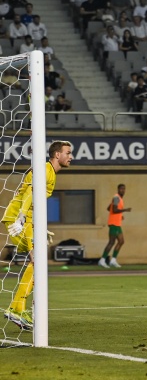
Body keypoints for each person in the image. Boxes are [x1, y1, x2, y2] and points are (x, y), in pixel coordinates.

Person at [2, 141, 73, 330]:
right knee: (38, 261)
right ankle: (16, 309)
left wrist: (40, 227)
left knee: (37, 262)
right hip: (20, 220)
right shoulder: (45, 170)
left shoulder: (49, 172)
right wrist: (22, 216)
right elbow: (30, 193)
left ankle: (17, 308)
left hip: (26, 221)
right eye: (68, 152)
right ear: (57, 155)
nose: (71, 156)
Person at [98, 184, 132, 268]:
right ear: (118, 189)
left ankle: (113, 260)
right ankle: (102, 260)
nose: (123, 190)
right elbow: (114, 209)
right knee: (111, 242)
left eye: (124, 189)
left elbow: (109, 208)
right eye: (121, 189)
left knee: (121, 241)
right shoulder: (116, 197)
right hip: (113, 223)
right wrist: (125, 210)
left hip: (117, 223)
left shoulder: (118, 198)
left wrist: (120, 215)